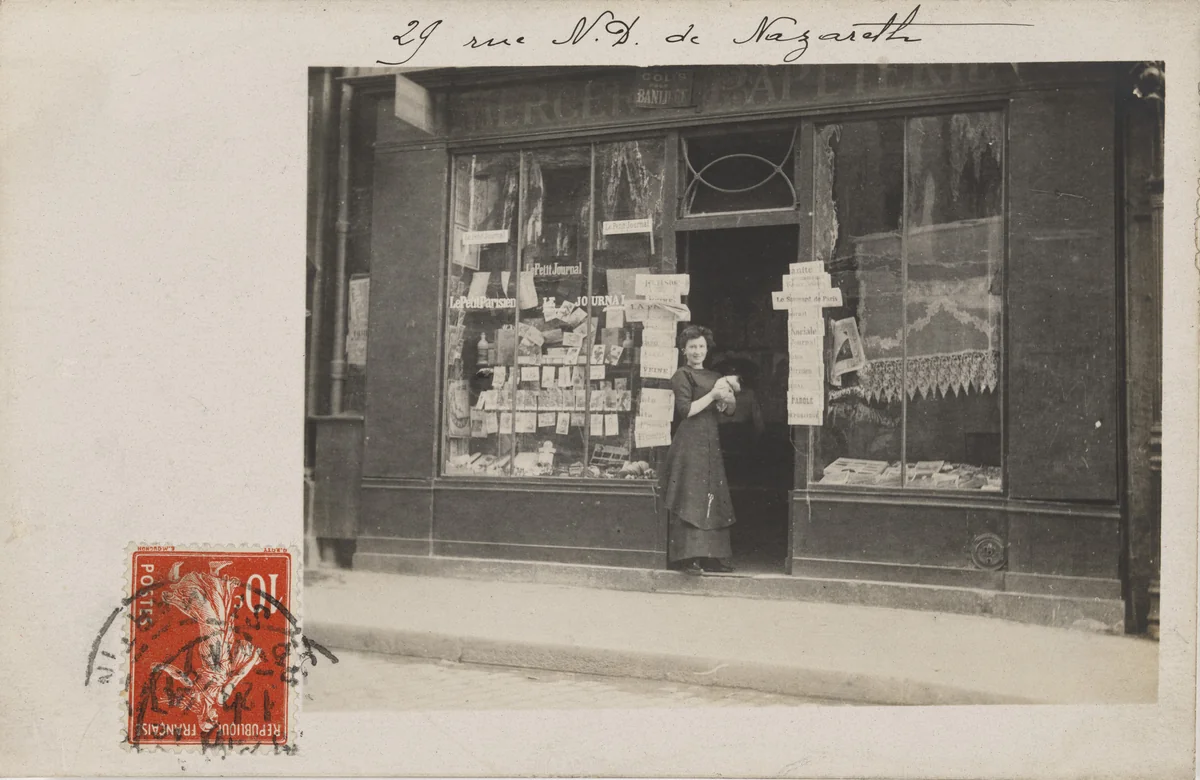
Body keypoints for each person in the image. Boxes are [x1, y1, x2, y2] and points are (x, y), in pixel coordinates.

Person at [658, 325, 738, 575]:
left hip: (710, 441)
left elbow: (729, 412)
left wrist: (729, 398)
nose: (697, 351)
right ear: (684, 350)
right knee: (690, 496)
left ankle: (711, 556)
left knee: (712, 494)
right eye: (692, 346)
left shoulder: (715, 376)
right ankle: (687, 557)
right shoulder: (681, 375)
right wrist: (714, 394)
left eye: (701, 346)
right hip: (690, 442)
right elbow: (686, 411)